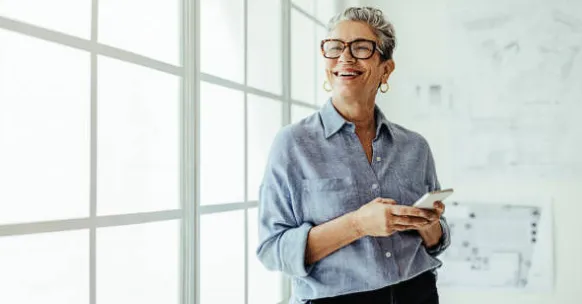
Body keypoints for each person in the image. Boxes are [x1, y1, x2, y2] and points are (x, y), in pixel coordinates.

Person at [256, 6, 450, 304]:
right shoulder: (293, 144)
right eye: (335, 48)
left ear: (386, 68)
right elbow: (272, 250)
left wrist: (429, 225)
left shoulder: (415, 147)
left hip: (418, 292)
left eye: (361, 48)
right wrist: (358, 224)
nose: (345, 57)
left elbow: (435, 243)